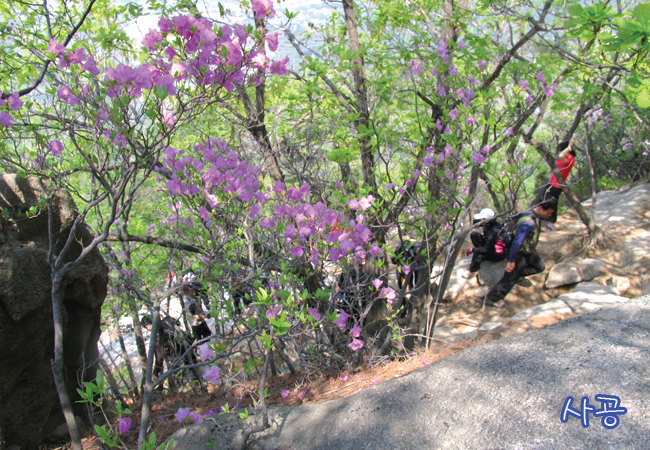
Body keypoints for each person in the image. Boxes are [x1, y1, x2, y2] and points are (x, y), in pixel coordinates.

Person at [484, 197, 557, 308]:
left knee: (539, 266)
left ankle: (518, 275)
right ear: (541, 208)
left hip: (528, 249)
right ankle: (492, 299)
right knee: (509, 278)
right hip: (518, 252)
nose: (549, 216)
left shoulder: (531, 213)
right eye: (549, 213)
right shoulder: (528, 223)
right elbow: (517, 243)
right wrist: (511, 261)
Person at [535, 140, 576, 231]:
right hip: (553, 183)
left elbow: (561, 156)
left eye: (561, 150)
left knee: (551, 204)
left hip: (556, 185)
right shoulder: (567, 157)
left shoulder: (568, 158)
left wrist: (569, 147)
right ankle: (549, 224)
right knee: (547, 202)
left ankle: (551, 226)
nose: (560, 152)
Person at [463, 209, 507, 278]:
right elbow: (474, 223)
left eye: (482, 219)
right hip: (490, 245)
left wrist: (472, 250)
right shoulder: (489, 224)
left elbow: (485, 249)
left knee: (478, 254)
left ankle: (472, 271)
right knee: (474, 235)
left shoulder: (495, 231)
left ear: (486, 220)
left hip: (497, 254)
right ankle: (479, 254)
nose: (480, 220)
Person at [182, 272, 212, 341]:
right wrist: (206, 316)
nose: (194, 291)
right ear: (187, 293)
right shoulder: (190, 303)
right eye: (192, 290)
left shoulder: (192, 298)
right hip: (197, 324)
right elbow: (196, 317)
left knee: (205, 338)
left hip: (197, 324)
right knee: (205, 338)